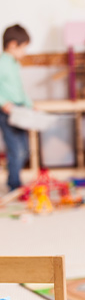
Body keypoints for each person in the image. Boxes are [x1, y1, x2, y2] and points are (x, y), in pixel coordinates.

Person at [0, 24, 31, 191]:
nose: (24, 53)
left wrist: (30, 105)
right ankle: (14, 184)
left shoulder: (14, 63)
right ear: (12, 45)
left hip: (19, 109)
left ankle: (14, 178)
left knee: (25, 149)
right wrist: (3, 102)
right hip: (7, 112)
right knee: (16, 149)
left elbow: (18, 88)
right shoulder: (2, 63)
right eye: (23, 48)